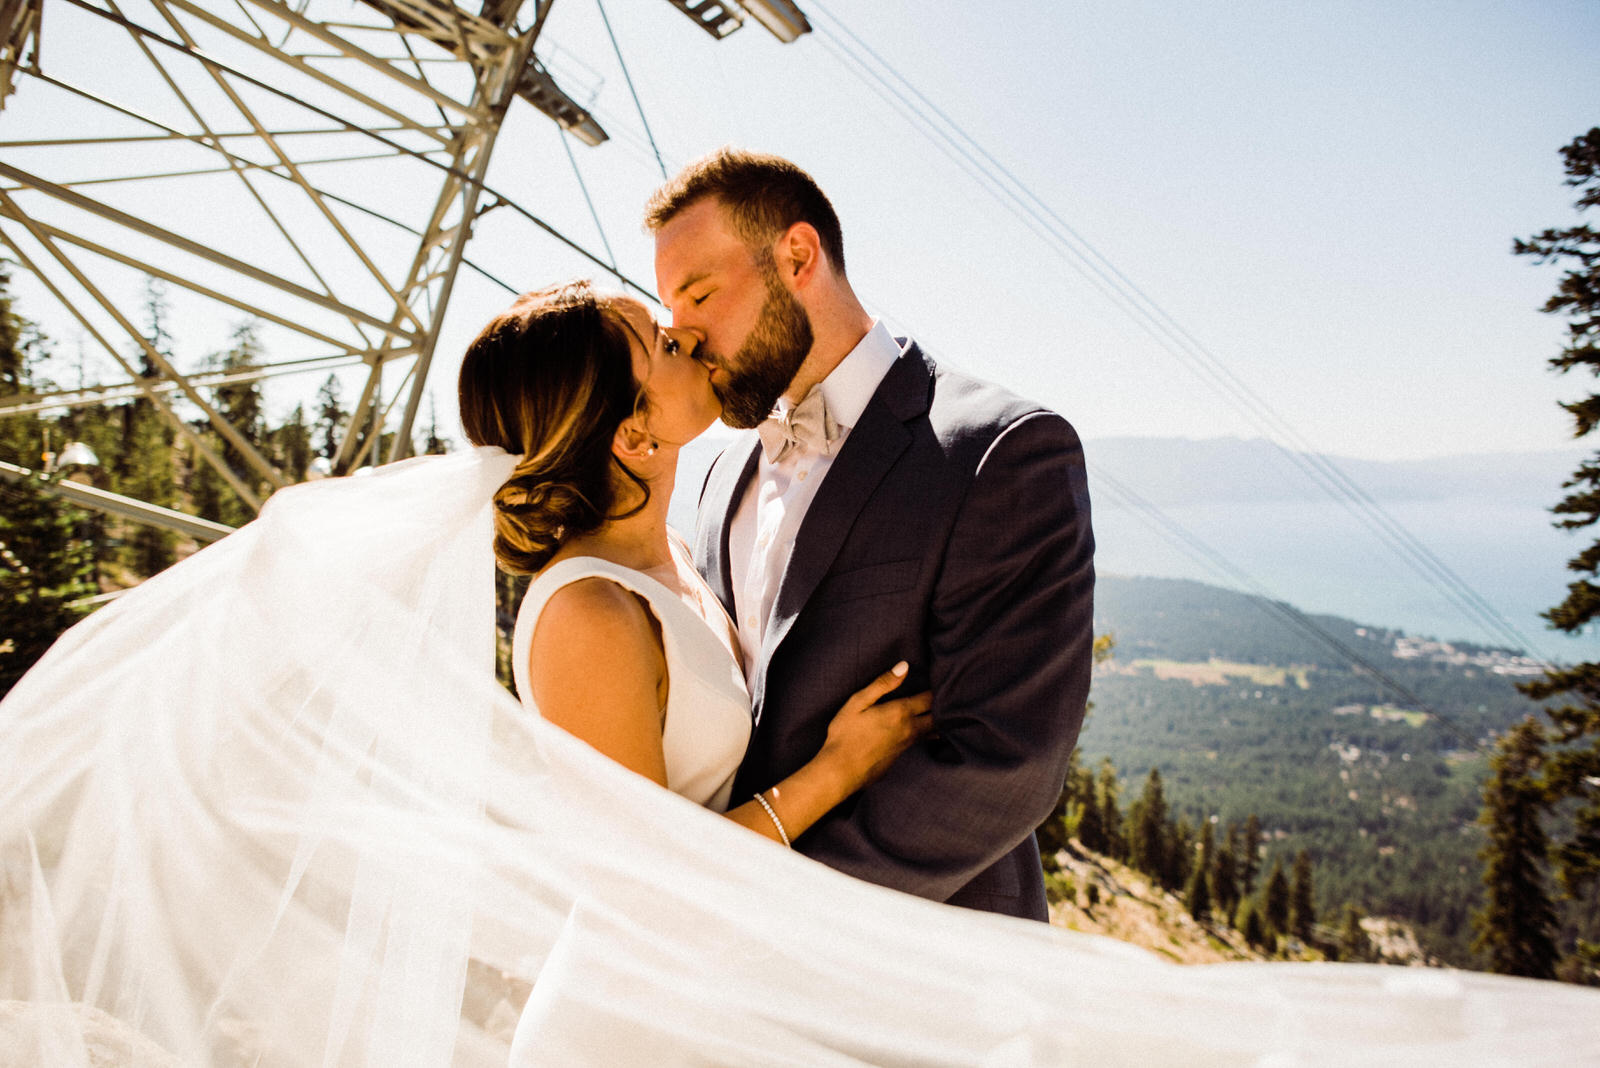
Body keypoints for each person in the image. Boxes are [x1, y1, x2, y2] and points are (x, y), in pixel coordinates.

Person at [3, 285, 1596, 1067]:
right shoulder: (587, 619)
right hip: (644, 1023)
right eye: (662, 347)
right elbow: (629, 883)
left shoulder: (667, 540)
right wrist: (831, 774)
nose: (694, 352)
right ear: (629, 426)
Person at [647, 148, 1096, 920]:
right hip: (734, 990)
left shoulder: (1003, 450)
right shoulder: (719, 479)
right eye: (671, 314)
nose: (684, 337)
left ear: (796, 255)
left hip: (924, 983)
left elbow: (1004, 766)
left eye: (700, 295)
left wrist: (769, 915)